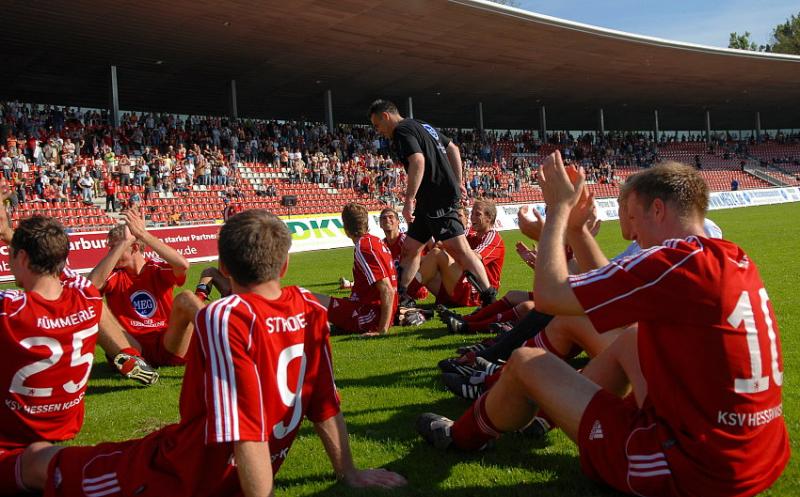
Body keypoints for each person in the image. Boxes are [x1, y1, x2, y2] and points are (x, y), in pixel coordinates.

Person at [417, 156, 789, 496]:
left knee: (526, 362)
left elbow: (548, 295)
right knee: (631, 340)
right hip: (758, 454)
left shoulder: (673, 262)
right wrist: (578, 233)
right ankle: (548, 415)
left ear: (657, 209)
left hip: (691, 468)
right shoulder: (729, 257)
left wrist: (557, 211)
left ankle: (462, 436)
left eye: (632, 217)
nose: (631, 236)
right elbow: (611, 293)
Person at [20, 209, 407, 496]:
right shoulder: (308, 305)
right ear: (286, 263)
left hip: (180, 471)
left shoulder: (225, 316)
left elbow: (245, 430)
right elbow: (324, 400)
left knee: (42, 464)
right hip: (210, 455)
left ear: (222, 266)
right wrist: (349, 472)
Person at [0, 212, 102, 495]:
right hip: (63, 425)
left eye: (11, 256)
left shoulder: (10, 310)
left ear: (21, 258)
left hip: (13, 436)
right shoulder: (90, 298)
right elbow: (68, 276)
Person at [369, 99, 496, 308]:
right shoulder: (422, 125)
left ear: (385, 116)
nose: (378, 131)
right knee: (410, 249)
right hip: (429, 200)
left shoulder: (401, 131)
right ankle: (399, 298)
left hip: (436, 198)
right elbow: (453, 148)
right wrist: (457, 181)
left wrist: (409, 199)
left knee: (460, 251)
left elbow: (418, 160)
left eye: (377, 125)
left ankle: (489, 299)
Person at [88, 209, 195, 367]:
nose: (111, 253)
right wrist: (123, 243)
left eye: (114, 247)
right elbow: (89, 289)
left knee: (187, 297)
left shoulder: (156, 269)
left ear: (135, 247)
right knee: (92, 304)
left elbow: (183, 265)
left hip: (166, 343)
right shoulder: (114, 275)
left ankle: (221, 343)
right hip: (131, 346)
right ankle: (137, 366)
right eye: (110, 248)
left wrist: (143, 234)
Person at [313, 203, 398, 337]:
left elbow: (387, 289)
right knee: (316, 300)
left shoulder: (363, 247)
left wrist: (382, 330)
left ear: (346, 229)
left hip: (369, 316)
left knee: (306, 299)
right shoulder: (375, 241)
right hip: (372, 310)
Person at [416, 199, 505, 310]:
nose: (472, 217)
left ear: (489, 218)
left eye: (478, 214)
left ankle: (407, 294)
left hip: (476, 292)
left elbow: (473, 258)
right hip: (462, 285)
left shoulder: (493, 238)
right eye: (472, 213)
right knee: (420, 261)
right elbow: (441, 245)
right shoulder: (469, 234)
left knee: (436, 254)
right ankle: (406, 294)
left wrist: (447, 248)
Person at [378, 207, 429, 301]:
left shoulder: (407, 241)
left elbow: (421, 263)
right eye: (384, 218)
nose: (387, 220)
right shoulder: (380, 245)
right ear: (380, 224)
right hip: (394, 289)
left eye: (391, 217)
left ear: (398, 222)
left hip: (414, 288)